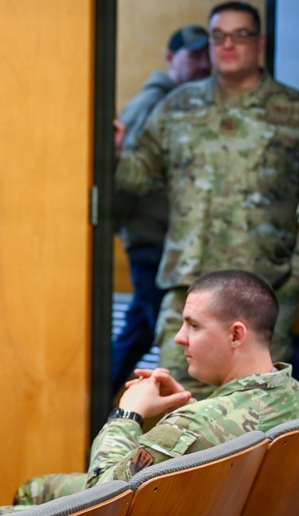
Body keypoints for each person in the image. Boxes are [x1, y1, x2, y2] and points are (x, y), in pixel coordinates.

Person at [0, 270, 299, 515]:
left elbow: (101, 499)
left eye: (193, 325)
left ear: (236, 334)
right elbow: (225, 426)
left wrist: (129, 413)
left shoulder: (194, 425)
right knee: (35, 489)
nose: (179, 338)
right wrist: (192, 409)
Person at [115, 0, 299, 398]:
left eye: (240, 34)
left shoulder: (296, 112)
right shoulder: (176, 107)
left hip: (263, 293)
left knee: (253, 418)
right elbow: (136, 178)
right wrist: (108, 154)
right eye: (218, 36)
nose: (227, 44)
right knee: (172, 408)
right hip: (189, 291)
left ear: (259, 42)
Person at [111, 24, 211, 396]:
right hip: (151, 239)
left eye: (207, 55)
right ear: (171, 60)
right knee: (158, 330)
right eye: (194, 56)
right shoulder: (154, 103)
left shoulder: (186, 102)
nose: (204, 65)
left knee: (141, 326)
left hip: (160, 238)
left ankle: (105, 397)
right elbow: (126, 173)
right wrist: (124, 228)